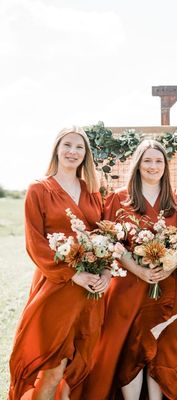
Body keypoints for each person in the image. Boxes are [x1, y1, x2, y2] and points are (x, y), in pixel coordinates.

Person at [82, 139, 177, 400]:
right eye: (147, 161)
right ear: (138, 164)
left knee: (163, 347)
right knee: (131, 349)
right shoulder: (119, 198)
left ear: (165, 166)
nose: (153, 166)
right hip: (129, 287)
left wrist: (170, 264)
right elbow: (110, 242)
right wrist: (138, 269)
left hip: (167, 286)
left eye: (158, 161)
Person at [8, 126, 109, 400]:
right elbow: (35, 242)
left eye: (79, 147)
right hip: (56, 286)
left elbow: (105, 236)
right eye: (67, 145)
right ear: (56, 149)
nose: (73, 152)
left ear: (86, 154)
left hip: (90, 291)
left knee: (75, 367)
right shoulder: (39, 189)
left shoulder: (92, 191)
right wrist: (73, 275)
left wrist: (107, 273)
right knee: (52, 365)